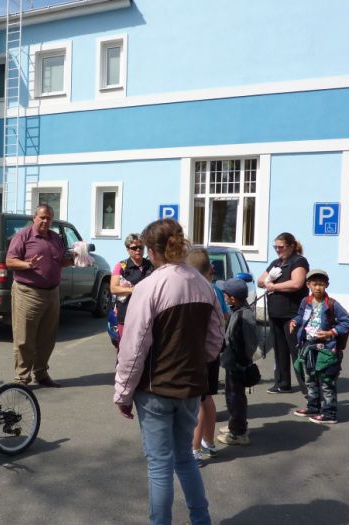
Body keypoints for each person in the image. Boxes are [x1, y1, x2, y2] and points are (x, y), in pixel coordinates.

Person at [114, 219, 224, 525]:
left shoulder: (149, 286)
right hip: (190, 388)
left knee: (160, 467)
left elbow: (133, 348)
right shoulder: (203, 284)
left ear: (152, 250)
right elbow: (216, 340)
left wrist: (123, 393)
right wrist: (194, 362)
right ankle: (201, 521)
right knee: (185, 459)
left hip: (155, 390)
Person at [6, 204, 73, 388]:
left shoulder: (56, 238)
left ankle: (41, 374)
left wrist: (76, 259)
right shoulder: (23, 236)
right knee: (24, 338)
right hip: (28, 292)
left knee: (47, 338)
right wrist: (28, 265)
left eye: (49, 218)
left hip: (52, 293)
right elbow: (10, 261)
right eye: (42, 217)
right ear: (34, 218)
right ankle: (22, 379)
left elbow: (60, 262)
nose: (45, 221)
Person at [290, 269, 349, 425]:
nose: (318, 288)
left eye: (321, 284)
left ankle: (329, 413)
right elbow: (301, 315)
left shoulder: (332, 304)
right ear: (308, 285)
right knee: (310, 379)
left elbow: (348, 322)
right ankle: (313, 407)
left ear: (327, 285)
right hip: (308, 346)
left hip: (326, 349)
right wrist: (294, 321)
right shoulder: (306, 301)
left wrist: (330, 332)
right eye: (315, 284)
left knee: (326, 382)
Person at [185, 248, 227, 464]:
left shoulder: (199, 290)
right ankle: (208, 443)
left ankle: (194, 450)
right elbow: (223, 319)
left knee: (198, 402)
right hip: (212, 352)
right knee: (207, 398)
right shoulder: (214, 289)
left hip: (201, 354)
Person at [257, 232, 309, 395]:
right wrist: (268, 280)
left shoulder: (299, 261)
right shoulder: (276, 263)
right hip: (276, 313)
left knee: (296, 350)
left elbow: (297, 283)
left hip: (292, 313)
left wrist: (272, 286)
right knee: (279, 350)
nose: (278, 250)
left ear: (292, 246)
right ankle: (282, 383)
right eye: (275, 247)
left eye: (281, 247)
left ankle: (307, 387)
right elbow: (260, 281)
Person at [216, 278, 257, 446]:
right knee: (232, 395)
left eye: (225, 294)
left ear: (232, 298)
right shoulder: (238, 310)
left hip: (237, 365)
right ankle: (236, 423)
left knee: (235, 397)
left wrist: (241, 363)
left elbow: (245, 343)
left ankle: (238, 433)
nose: (223, 296)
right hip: (233, 363)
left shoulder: (243, 316)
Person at [110, 233, 153, 344]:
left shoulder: (151, 265)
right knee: (125, 347)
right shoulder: (121, 266)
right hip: (126, 313)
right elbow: (113, 288)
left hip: (146, 313)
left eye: (141, 247)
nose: (138, 250)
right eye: (134, 248)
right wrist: (132, 290)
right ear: (128, 249)